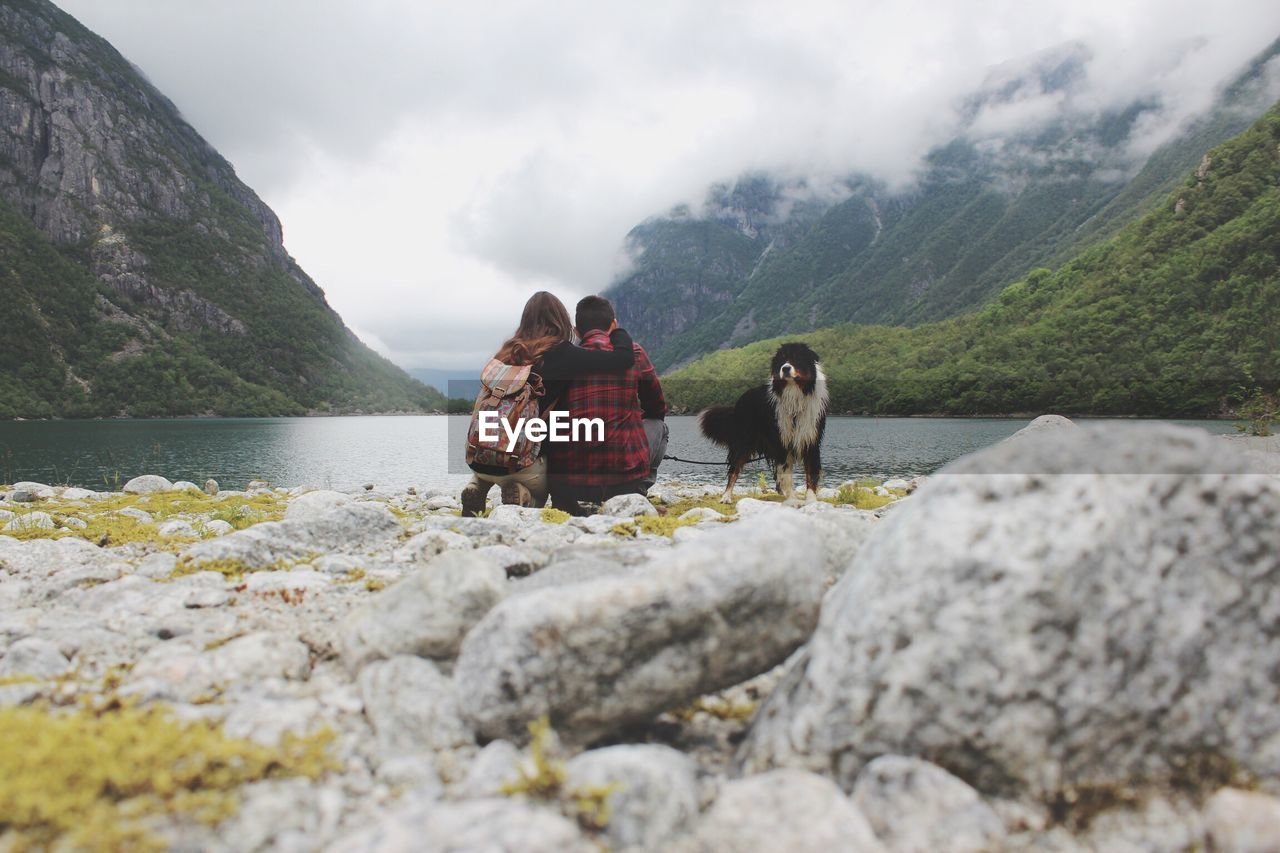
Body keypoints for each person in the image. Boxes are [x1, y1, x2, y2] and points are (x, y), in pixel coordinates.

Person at [461, 291, 635, 516]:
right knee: (550, 451)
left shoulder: (505, 353)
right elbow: (623, 360)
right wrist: (617, 331)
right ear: (561, 321)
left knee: (494, 451)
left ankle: (476, 486)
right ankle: (523, 495)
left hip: (480, 459)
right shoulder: (564, 353)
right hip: (523, 465)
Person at [546, 295, 667, 514]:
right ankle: (637, 492)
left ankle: (573, 500)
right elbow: (657, 406)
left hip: (573, 482)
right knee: (659, 425)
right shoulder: (635, 354)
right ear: (613, 325)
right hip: (624, 478)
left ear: (576, 330)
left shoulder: (564, 358)